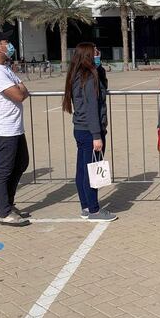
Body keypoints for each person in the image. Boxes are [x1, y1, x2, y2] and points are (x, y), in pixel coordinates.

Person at [0, 30, 31, 227]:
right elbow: (19, 95)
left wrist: (20, 88)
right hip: (3, 130)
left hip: (15, 128)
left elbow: (24, 89)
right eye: (6, 42)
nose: (9, 45)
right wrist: (20, 89)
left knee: (21, 164)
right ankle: (4, 211)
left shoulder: (5, 68)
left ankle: (9, 204)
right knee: (3, 171)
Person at [63, 43, 117, 222]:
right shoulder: (88, 77)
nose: (98, 54)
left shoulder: (78, 74)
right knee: (92, 171)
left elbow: (103, 86)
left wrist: (99, 66)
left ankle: (86, 206)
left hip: (80, 128)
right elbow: (92, 107)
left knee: (82, 169)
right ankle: (93, 209)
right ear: (87, 55)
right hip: (90, 130)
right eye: (95, 52)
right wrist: (96, 135)